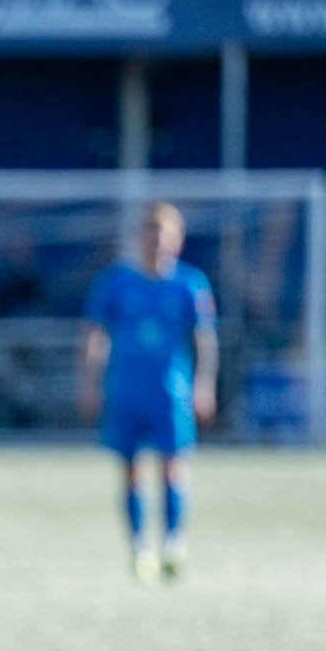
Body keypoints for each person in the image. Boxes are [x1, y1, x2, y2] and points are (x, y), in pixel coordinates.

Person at [77, 201, 217, 580]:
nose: (157, 241)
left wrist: (204, 384)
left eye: (165, 234)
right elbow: (94, 334)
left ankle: (174, 540)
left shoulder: (190, 283)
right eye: (151, 232)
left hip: (171, 392)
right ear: (140, 237)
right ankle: (139, 545)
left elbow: (204, 339)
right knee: (129, 469)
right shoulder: (116, 281)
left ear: (177, 241)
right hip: (125, 389)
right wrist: (89, 381)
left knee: (173, 467)